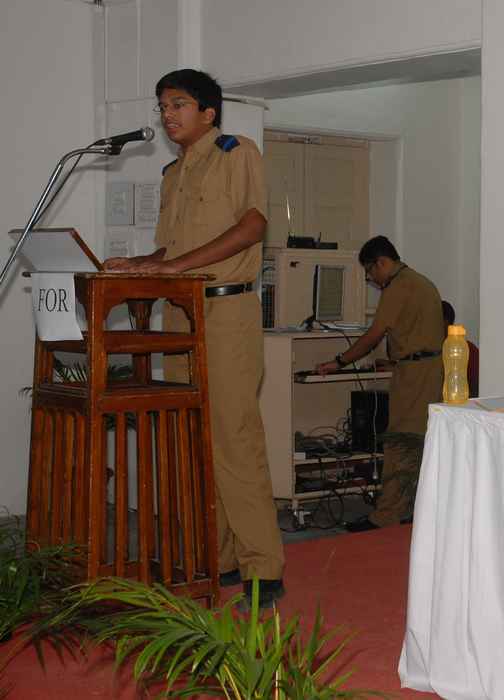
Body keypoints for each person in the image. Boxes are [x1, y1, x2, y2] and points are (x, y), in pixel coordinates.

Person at [103, 69, 285, 604]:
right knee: (194, 442)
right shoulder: (172, 173)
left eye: (179, 104)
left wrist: (174, 266)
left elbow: (252, 226)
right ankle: (220, 559)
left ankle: (263, 568)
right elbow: (173, 250)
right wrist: (142, 264)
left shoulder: (237, 153)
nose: (168, 114)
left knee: (234, 439)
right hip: (179, 316)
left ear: (208, 112)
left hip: (226, 312)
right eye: (162, 106)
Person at [314, 236, 444, 531]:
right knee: (418, 443)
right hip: (427, 369)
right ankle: (411, 509)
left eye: (370, 272)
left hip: (416, 375)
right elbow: (416, 334)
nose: (371, 279)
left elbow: (374, 334)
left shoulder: (398, 286)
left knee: (400, 442)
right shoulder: (419, 281)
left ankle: (386, 515)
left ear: (381, 263)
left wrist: (339, 362)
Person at [441, 300, 480, 398]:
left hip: (459, 403)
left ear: (446, 322)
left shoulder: (468, 349)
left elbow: (477, 388)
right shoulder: (426, 354)